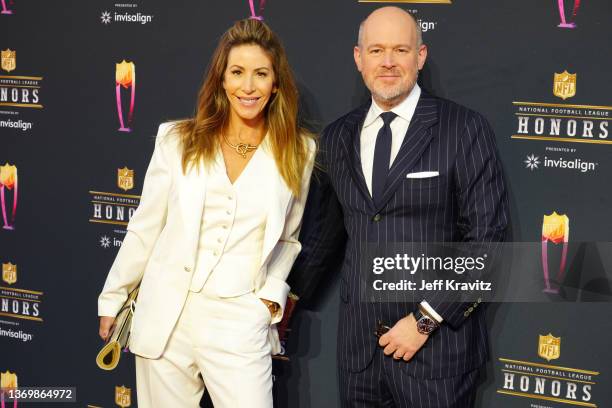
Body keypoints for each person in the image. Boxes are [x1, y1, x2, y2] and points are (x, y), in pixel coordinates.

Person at [288, 7, 509, 407]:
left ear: (420, 57)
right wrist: (282, 301)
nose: (387, 62)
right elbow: (325, 238)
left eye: (400, 50)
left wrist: (426, 320)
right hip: (360, 358)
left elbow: (488, 244)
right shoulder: (338, 137)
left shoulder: (463, 129)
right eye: (376, 50)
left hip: (437, 354)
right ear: (359, 59)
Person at [97, 18, 315, 408]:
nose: (248, 87)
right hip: (167, 315)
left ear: (276, 83)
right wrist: (112, 298)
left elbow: (288, 238)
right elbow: (146, 227)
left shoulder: (298, 152)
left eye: (260, 74)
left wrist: (267, 299)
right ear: (221, 80)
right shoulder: (178, 140)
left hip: (239, 319)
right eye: (237, 73)